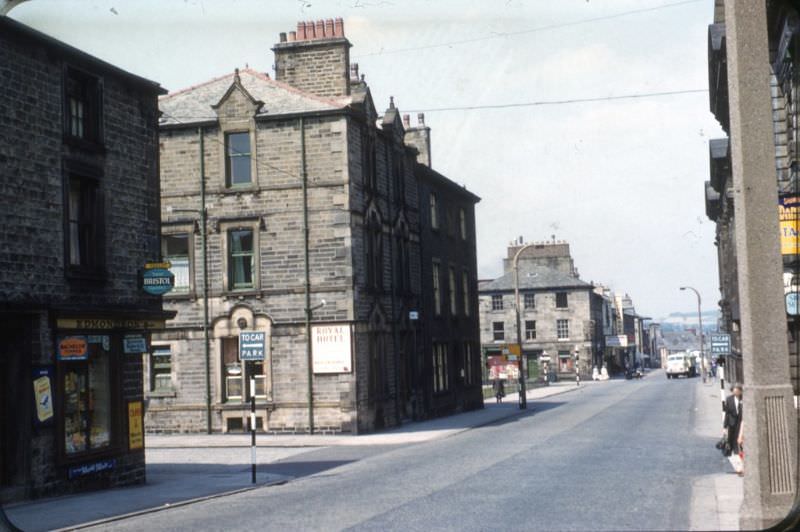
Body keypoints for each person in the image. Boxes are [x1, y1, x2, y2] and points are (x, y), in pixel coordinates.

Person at [723, 383, 743, 474]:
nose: (736, 394)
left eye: (737, 392)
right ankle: (738, 464)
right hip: (732, 424)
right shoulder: (729, 399)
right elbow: (727, 414)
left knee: (740, 444)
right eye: (734, 392)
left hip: (741, 423)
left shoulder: (743, 399)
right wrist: (725, 427)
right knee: (733, 444)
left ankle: (741, 465)